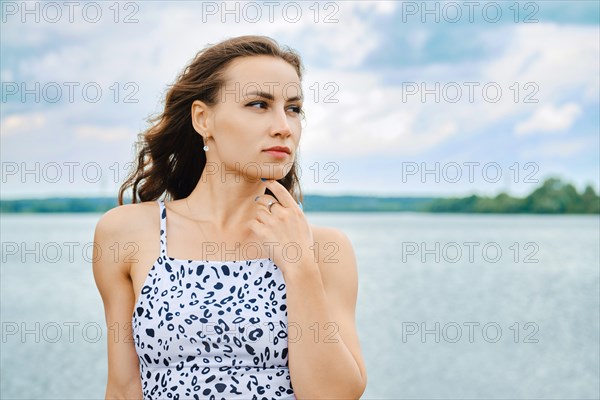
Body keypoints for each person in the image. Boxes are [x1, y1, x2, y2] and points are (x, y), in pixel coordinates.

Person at [92, 35, 367, 399]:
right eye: (258, 104)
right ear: (203, 119)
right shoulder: (128, 232)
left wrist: (299, 266)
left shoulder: (325, 248)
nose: (283, 125)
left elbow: (334, 395)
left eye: (294, 109)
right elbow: (124, 389)